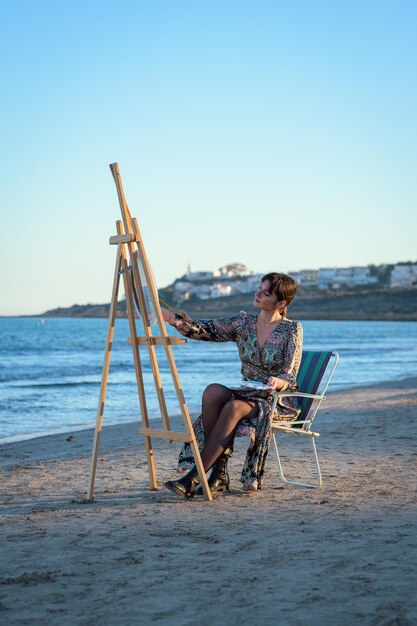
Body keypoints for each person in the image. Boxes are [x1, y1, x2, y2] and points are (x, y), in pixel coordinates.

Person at [161, 272, 303, 497]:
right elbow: (205, 329)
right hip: (249, 392)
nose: (257, 294)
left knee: (233, 407)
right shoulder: (243, 322)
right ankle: (219, 474)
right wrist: (168, 317)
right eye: (259, 288)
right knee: (213, 392)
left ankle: (194, 477)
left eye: (265, 293)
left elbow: (291, 376)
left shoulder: (292, 330)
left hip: (276, 400)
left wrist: (278, 382)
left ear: (281, 302)